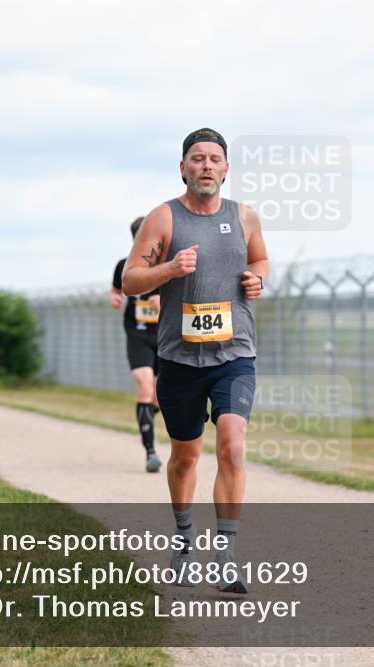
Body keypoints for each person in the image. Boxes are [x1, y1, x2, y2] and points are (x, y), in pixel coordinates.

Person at [122, 128, 269, 593]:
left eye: (215, 159)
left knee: (232, 445)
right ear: (182, 168)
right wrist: (170, 268)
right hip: (180, 359)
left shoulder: (244, 216)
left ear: (226, 169)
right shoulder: (163, 218)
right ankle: (185, 543)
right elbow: (130, 280)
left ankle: (226, 555)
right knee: (186, 456)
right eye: (197, 158)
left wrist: (256, 281)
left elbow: (262, 261)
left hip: (235, 353)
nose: (206, 165)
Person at [111, 216, 163, 473]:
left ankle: (147, 417)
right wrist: (115, 299)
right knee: (144, 385)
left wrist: (163, 304)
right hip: (138, 334)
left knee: (159, 396)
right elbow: (115, 290)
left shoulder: (168, 265)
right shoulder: (124, 265)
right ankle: (150, 453)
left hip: (166, 336)